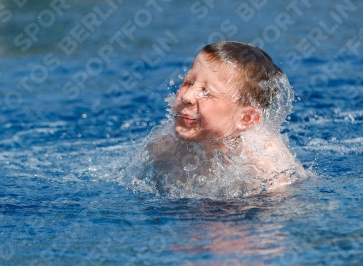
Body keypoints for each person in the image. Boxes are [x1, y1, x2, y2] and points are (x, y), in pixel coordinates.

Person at [126, 41, 305, 198]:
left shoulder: (265, 162)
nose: (187, 96)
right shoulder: (163, 148)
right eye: (187, 83)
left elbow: (281, 214)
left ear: (246, 118)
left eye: (206, 92)